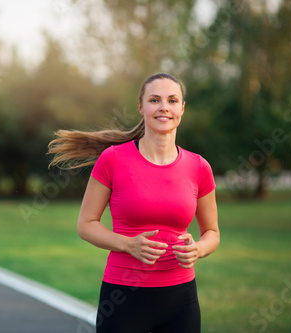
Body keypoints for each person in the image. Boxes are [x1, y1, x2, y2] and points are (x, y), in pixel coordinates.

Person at [48, 73, 220, 333]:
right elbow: (86, 224)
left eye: (172, 100)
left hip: (181, 300)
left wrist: (199, 248)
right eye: (154, 100)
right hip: (122, 299)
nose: (164, 107)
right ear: (141, 106)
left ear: (182, 108)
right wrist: (127, 244)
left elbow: (212, 233)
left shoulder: (198, 166)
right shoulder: (113, 159)